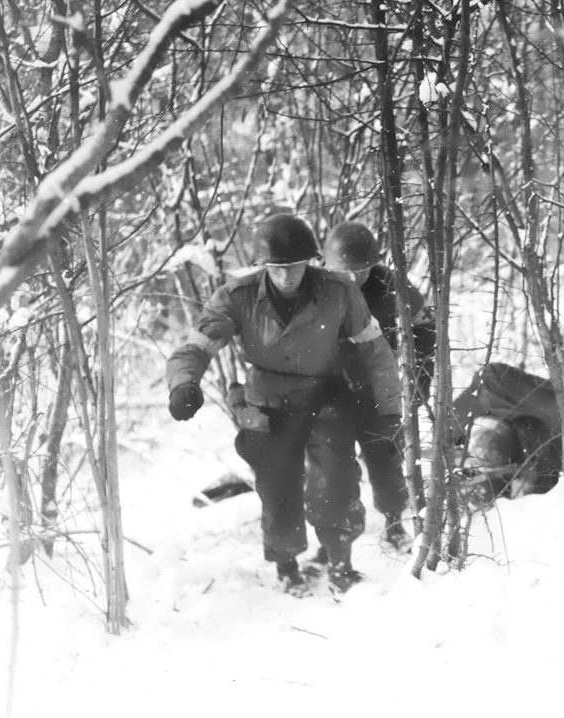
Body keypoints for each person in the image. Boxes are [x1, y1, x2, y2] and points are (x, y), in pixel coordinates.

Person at [166, 213, 402, 593]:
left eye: (295, 266)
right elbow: (195, 347)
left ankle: (341, 562)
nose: (287, 275)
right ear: (263, 266)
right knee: (279, 485)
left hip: (325, 395)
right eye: (277, 267)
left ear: (309, 261)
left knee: (337, 479)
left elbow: (376, 351)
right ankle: (287, 566)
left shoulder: (339, 291)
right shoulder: (236, 297)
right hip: (268, 403)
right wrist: (182, 384)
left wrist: (390, 408)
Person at [322, 221, 435, 551]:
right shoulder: (316, 287)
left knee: (386, 459)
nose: (354, 278)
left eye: (362, 270)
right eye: (346, 271)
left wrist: (418, 385)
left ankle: (394, 520)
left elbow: (426, 336)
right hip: (330, 394)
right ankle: (332, 540)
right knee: (330, 470)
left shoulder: (395, 287)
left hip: (378, 390)